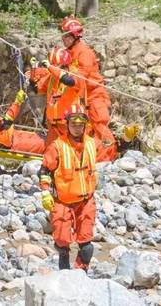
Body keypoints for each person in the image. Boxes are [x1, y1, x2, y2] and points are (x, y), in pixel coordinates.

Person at [38, 104, 100, 271]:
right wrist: (45, 191)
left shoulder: (91, 143)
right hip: (62, 201)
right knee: (62, 243)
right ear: (67, 124)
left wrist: (126, 140)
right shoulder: (57, 146)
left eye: (80, 124)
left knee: (87, 246)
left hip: (86, 201)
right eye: (73, 124)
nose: (77, 128)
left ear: (85, 125)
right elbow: (44, 170)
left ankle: (81, 274)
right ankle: (64, 274)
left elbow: (111, 151)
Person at [59, 16, 117, 161]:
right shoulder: (71, 52)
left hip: (96, 96)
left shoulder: (84, 53)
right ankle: (90, 159)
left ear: (74, 36)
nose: (63, 39)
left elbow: (80, 78)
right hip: (84, 98)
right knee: (87, 131)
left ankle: (107, 160)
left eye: (65, 36)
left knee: (101, 128)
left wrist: (67, 78)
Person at [28, 47, 85, 146]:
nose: (52, 69)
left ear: (64, 65)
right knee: (52, 151)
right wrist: (33, 70)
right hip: (53, 125)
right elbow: (35, 89)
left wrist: (51, 67)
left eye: (55, 66)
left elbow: (69, 81)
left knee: (69, 152)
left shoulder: (75, 76)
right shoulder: (52, 77)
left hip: (69, 125)